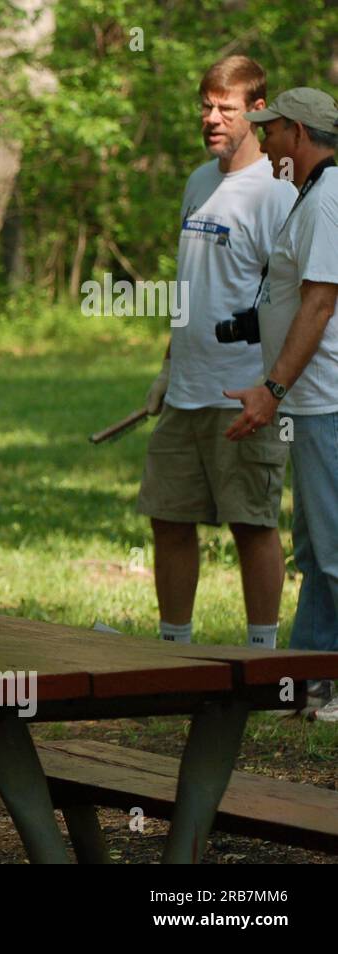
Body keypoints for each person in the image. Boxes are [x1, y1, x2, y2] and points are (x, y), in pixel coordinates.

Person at [136, 56, 296, 650]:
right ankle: (173, 651)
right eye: (205, 106)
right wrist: (168, 365)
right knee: (168, 517)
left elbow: (295, 300)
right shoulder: (199, 181)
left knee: (252, 524)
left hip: (246, 391)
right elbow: (191, 288)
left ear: (258, 111)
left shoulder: (277, 194)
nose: (212, 118)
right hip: (187, 388)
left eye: (225, 108)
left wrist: (273, 388)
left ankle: (261, 660)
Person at [226, 87, 338, 717]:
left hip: (327, 403)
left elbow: (321, 303)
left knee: (336, 549)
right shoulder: (312, 197)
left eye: (269, 131)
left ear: (297, 131)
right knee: (318, 548)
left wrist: (271, 390)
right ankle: (308, 681)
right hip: (312, 403)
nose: (263, 143)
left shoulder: (327, 201)